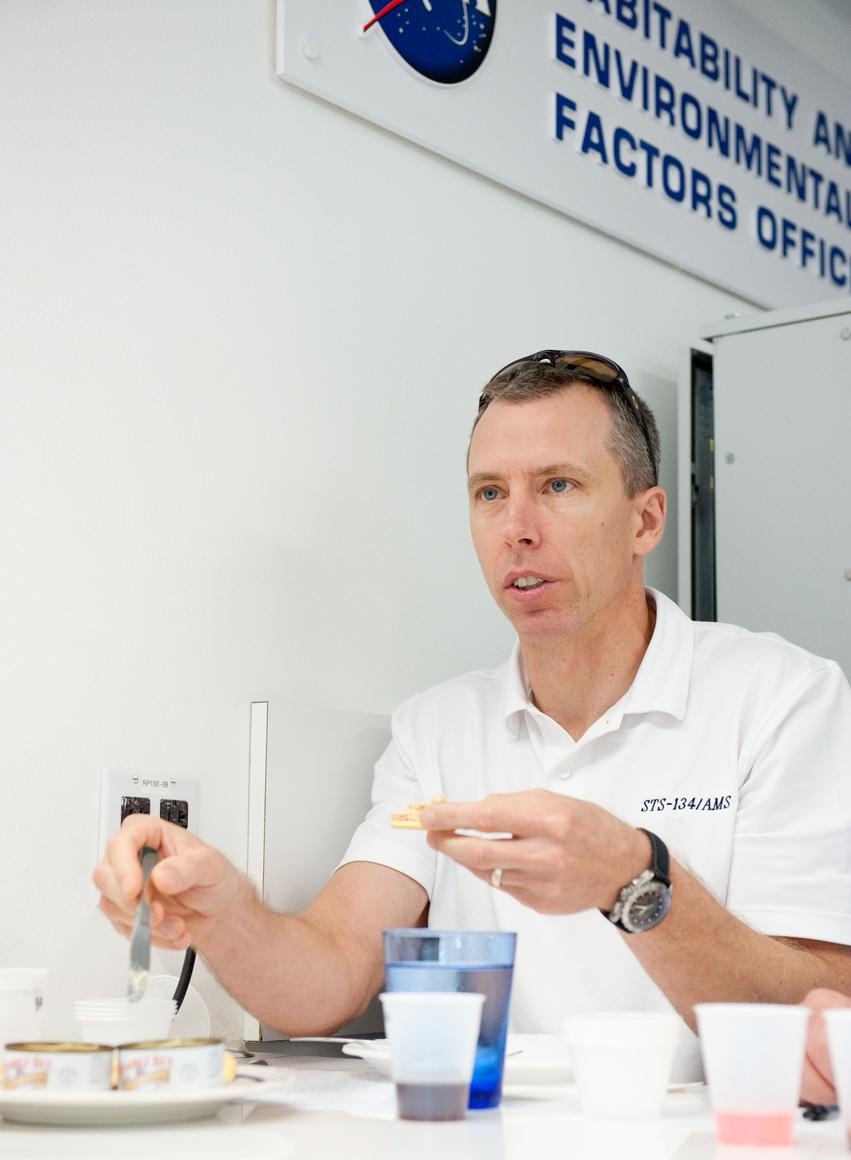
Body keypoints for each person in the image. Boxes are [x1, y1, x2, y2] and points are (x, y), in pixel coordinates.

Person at [94, 349, 851, 1080]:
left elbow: (823, 1013)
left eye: (558, 485)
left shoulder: (780, 697)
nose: (516, 526)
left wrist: (633, 878)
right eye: (489, 492)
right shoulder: (435, 728)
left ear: (644, 521)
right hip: (490, 1158)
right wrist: (226, 913)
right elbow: (327, 983)